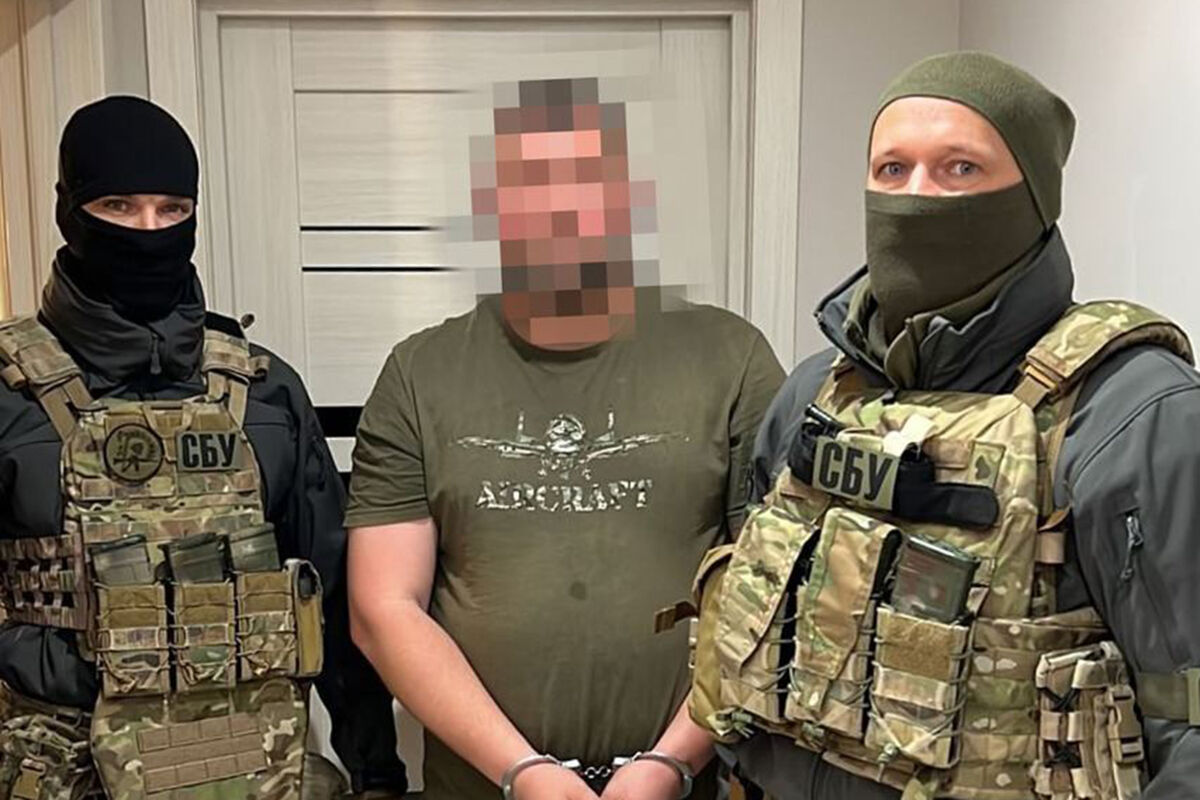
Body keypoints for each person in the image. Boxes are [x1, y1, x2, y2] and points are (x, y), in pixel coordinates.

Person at [698, 52, 1200, 799]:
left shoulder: (1133, 413)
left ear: (1033, 198)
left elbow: (1186, 725)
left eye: (960, 168)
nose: (915, 198)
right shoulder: (815, 393)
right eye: (892, 169)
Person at [346, 77, 785, 800]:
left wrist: (671, 764)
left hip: (685, 784)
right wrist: (524, 774)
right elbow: (382, 608)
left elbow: (770, 596)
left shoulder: (730, 358)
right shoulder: (420, 373)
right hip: (481, 786)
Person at [0, 96, 405, 799]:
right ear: (69, 211)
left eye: (172, 210)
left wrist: (377, 774)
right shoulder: (10, 395)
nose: (147, 230)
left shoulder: (266, 391)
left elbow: (335, 598)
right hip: (59, 767)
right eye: (118, 206)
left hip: (251, 768)